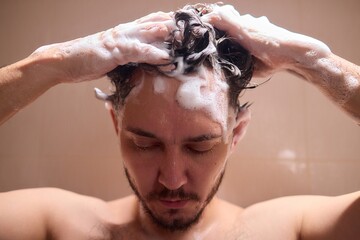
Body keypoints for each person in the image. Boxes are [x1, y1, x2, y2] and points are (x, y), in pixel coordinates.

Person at [0, 3, 359, 240]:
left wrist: (314, 60)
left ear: (236, 134)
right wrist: (51, 63)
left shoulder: (289, 230)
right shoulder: (57, 225)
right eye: (146, 143)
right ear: (116, 124)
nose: (172, 178)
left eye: (199, 146)